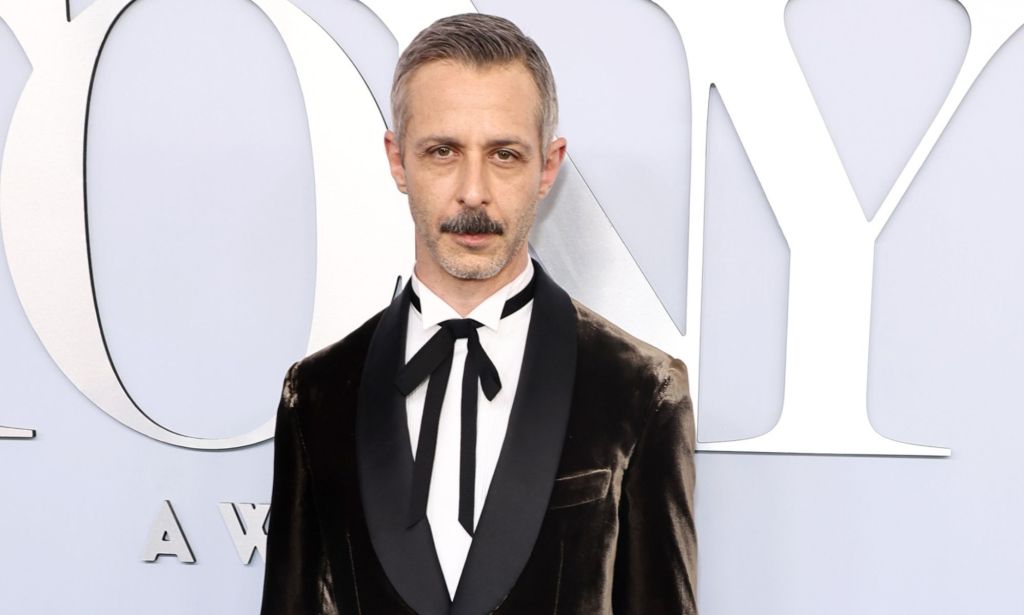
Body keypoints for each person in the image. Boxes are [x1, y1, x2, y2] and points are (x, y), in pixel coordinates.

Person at [260, 13, 696, 615]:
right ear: (397, 159)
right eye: (442, 151)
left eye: (505, 154)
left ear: (548, 166)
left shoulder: (641, 390)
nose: (473, 190)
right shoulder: (315, 395)